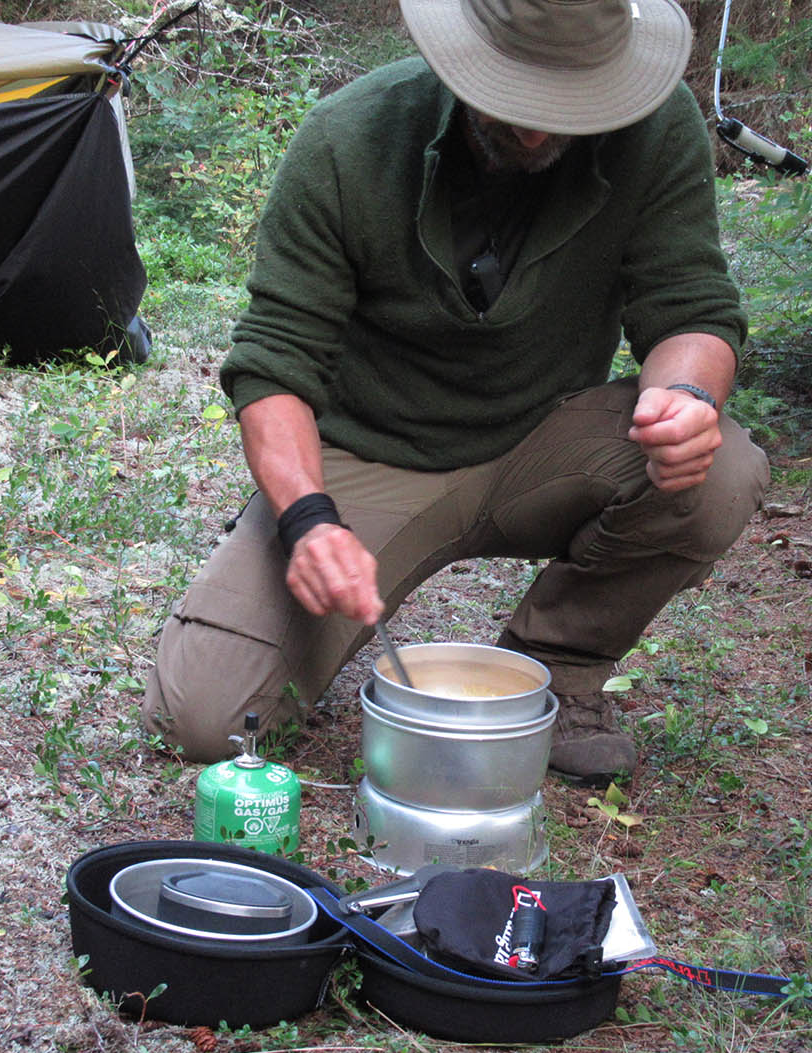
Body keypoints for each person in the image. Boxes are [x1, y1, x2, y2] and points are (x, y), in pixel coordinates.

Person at [141, 0, 770, 780]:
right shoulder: (349, 137)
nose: (537, 133)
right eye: (511, 99)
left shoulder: (658, 126)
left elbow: (693, 307)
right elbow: (275, 364)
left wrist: (688, 400)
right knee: (200, 720)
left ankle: (558, 668)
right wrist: (306, 518)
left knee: (722, 470)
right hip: (365, 454)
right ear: (461, 54)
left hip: (545, 443)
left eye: (567, 105)